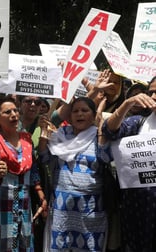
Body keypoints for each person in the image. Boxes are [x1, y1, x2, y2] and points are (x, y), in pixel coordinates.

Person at [0, 95, 47, 251]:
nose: (13, 115)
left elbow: (32, 171)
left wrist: (40, 195)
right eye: (7, 112)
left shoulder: (27, 140)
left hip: (24, 212)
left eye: (15, 110)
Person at [38, 97, 112, 252]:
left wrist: (101, 130)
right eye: (75, 111)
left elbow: (105, 158)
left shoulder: (98, 136)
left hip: (90, 209)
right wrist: (43, 137)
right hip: (62, 208)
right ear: (69, 116)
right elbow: (45, 158)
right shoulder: (60, 135)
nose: (80, 114)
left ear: (93, 116)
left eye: (85, 111)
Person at [101, 76, 156, 251]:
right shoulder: (138, 123)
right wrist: (127, 104)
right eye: (151, 92)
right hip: (138, 210)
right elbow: (109, 130)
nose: (153, 97)